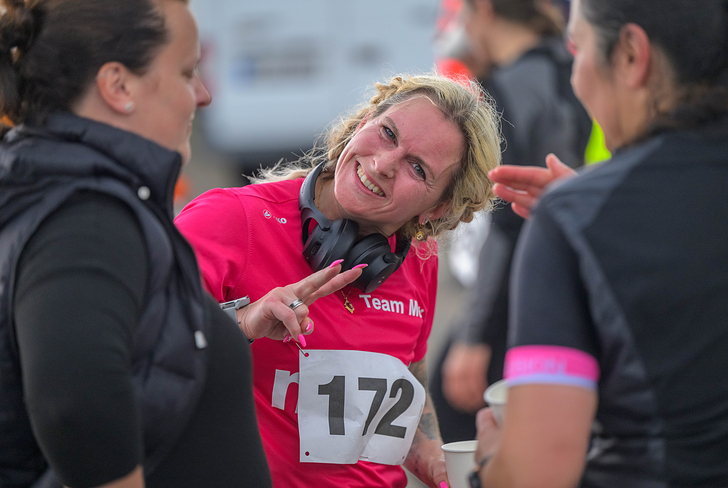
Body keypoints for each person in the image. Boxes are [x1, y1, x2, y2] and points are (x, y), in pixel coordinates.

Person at [0, 1, 362, 487]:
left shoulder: (89, 195)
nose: (204, 94)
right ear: (118, 86)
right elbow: (74, 405)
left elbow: (138, 355)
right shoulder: (87, 218)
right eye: (187, 71)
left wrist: (240, 326)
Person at [174, 73, 502, 488]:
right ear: (362, 121)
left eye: (417, 168)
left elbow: (403, 387)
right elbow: (141, 352)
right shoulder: (230, 220)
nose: (383, 164)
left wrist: (437, 460)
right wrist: (244, 324)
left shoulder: (419, 262)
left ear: (436, 209)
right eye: (386, 133)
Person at [473, 0, 728, 486]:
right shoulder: (584, 218)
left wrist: (491, 461)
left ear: (632, 54)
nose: (576, 76)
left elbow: (536, 474)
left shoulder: (574, 222)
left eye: (579, 47)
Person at [430, 0, 591, 443]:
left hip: (520, 290)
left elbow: (507, 218)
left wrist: (473, 335)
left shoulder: (510, 83)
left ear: (482, 9)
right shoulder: (576, 66)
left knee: (459, 410)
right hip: (580, 276)